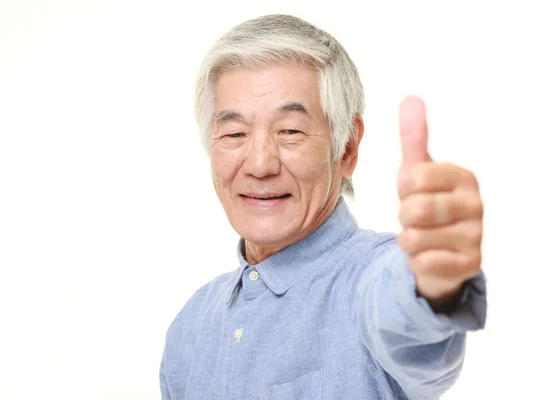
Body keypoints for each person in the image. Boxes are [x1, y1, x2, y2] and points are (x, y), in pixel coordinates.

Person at [159, 13, 487, 400]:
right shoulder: (191, 326)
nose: (260, 164)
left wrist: (435, 287)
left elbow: (407, 322)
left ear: (347, 147)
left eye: (290, 131)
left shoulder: (372, 278)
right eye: (234, 133)